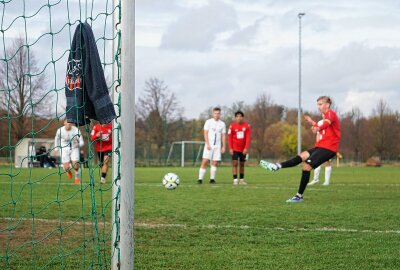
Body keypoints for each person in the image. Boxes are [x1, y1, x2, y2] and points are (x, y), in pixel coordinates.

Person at [260, 96, 340, 202]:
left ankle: (299, 196)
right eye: (318, 104)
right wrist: (312, 123)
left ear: (327, 104)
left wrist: (318, 128)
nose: (318, 106)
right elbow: (323, 127)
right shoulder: (325, 116)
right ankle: (277, 166)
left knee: (306, 166)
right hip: (321, 146)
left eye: (320, 104)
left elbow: (326, 124)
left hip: (328, 148)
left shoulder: (330, 114)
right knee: (301, 156)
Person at [198, 107, 226, 184]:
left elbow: (223, 135)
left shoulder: (222, 124)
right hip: (209, 145)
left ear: (220, 114)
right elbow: (205, 133)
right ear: (213, 114)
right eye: (215, 113)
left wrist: (223, 146)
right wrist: (207, 144)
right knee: (205, 161)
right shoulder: (208, 122)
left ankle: (212, 179)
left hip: (218, 146)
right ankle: (200, 179)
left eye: (218, 113)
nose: (216, 115)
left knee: (215, 163)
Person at [54, 119, 84, 184]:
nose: (68, 124)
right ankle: (68, 171)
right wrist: (56, 149)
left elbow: (82, 142)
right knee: (66, 167)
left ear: (72, 124)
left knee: (75, 166)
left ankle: (77, 178)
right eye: (67, 122)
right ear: (64, 123)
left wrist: (78, 145)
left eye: (70, 123)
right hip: (64, 149)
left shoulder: (76, 130)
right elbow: (56, 139)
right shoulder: (60, 131)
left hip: (74, 148)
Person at [228, 110, 251, 185]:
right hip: (234, 148)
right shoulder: (232, 126)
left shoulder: (246, 126)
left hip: (243, 149)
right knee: (234, 163)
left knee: (242, 164)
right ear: (235, 118)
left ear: (242, 117)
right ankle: (235, 180)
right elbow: (229, 138)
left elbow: (248, 138)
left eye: (240, 116)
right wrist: (230, 148)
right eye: (237, 116)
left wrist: (246, 148)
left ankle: (241, 180)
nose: (239, 118)